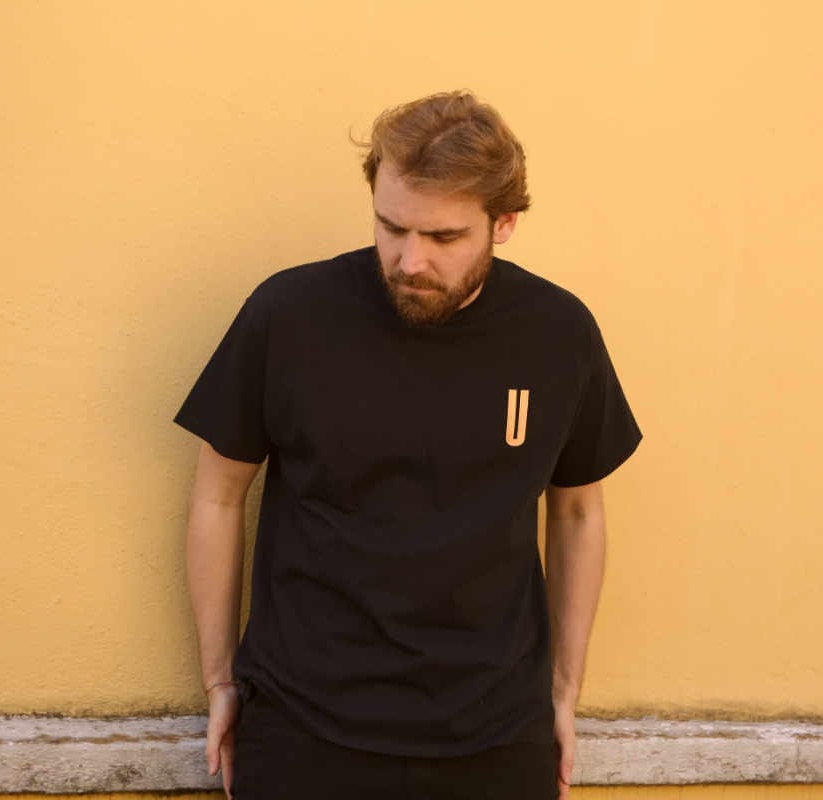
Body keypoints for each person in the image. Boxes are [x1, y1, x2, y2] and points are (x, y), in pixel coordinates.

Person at [175, 90, 642, 800]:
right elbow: (217, 494)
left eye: (444, 238)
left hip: (495, 733)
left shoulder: (558, 333)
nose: (409, 261)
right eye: (391, 227)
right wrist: (219, 682)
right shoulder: (290, 315)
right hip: (302, 727)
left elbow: (578, 512)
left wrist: (564, 691)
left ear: (504, 223)